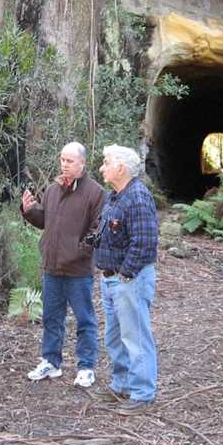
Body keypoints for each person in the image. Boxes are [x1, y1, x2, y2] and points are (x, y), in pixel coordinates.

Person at [21, 142, 105, 388]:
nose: (64, 164)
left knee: (85, 320)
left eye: (69, 161)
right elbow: (44, 220)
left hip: (78, 271)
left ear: (82, 163)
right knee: (51, 318)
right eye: (62, 160)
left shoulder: (95, 192)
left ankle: (86, 367)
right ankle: (50, 362)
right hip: (52, 268)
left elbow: (96, 230)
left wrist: (78, 252)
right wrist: (29, 211)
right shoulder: (53, 189)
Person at [89, 145, 159, 415]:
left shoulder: (138, 197)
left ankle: (142, 393)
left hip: (129, 280)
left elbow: (145, 242)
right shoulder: (115, 196)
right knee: (115, 337)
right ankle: (122, 385)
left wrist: (126, 274)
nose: (102, 167)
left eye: (106, 162)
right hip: (111, 280)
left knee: (136, 336)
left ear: (121, 167)